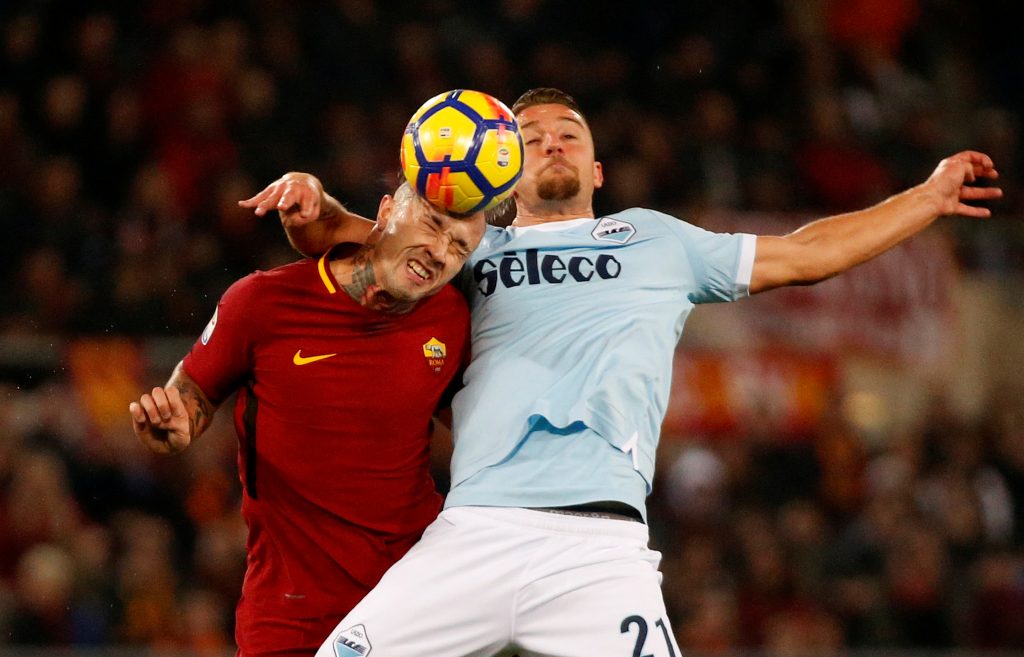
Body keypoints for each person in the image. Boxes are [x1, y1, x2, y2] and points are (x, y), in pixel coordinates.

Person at [263, 88, 1002, 657]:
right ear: (503, 173)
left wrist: (927, 198)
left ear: (597, 169)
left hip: (600, 549)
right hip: (474, 529)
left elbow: (807, 254)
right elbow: (354, 240)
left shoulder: (656, 240)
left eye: (569, 135)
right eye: (531, 138)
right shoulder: (467, 249)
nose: (552, 143)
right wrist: (311, 201)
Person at [128, 177, 486, 657]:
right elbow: (193, 391)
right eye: (433, 225)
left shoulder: (452, 319)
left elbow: (478, 425)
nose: (440, 253)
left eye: (460, 248)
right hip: (292, 611)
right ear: (385, 212)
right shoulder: (262, 302)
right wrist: (175, 422)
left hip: (411, 597)